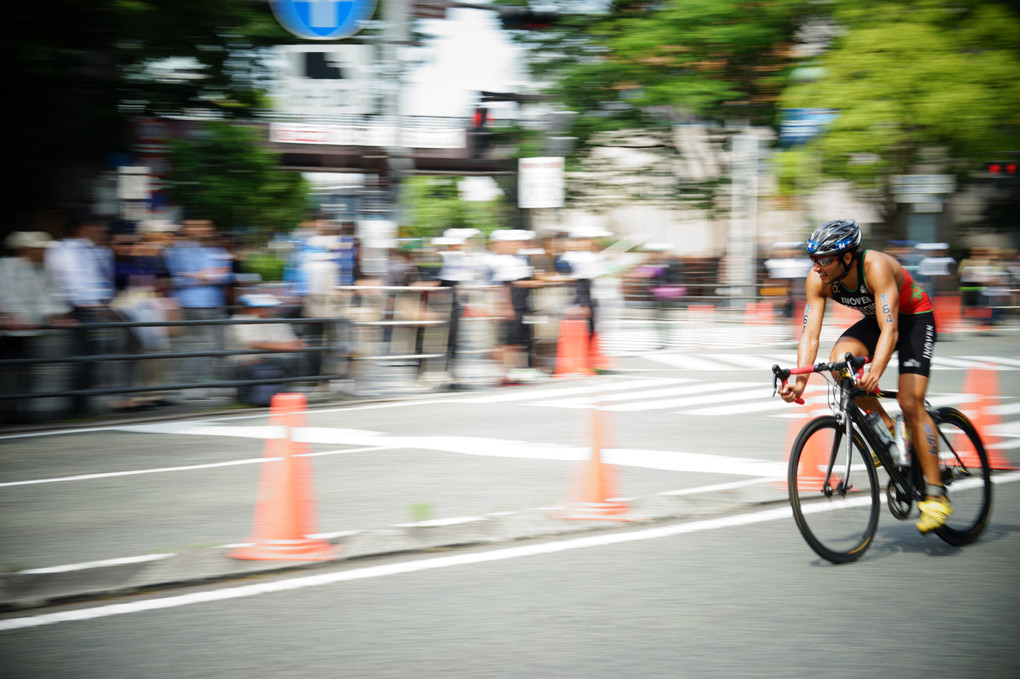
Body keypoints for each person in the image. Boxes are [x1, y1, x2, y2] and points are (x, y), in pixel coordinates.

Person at [777, 218, 949, 533]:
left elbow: (891, 330)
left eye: (824, 259)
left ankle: (936, 496)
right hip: (876, 321)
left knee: (911, 402)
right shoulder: (818, 279)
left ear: (846, 257)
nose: (817, 266)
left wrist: (876, 371)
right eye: (813, 258)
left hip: (914, 320)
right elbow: (810, 336)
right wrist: (799, 381)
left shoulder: (876, 266)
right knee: (838, 363)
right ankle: (884, 427)